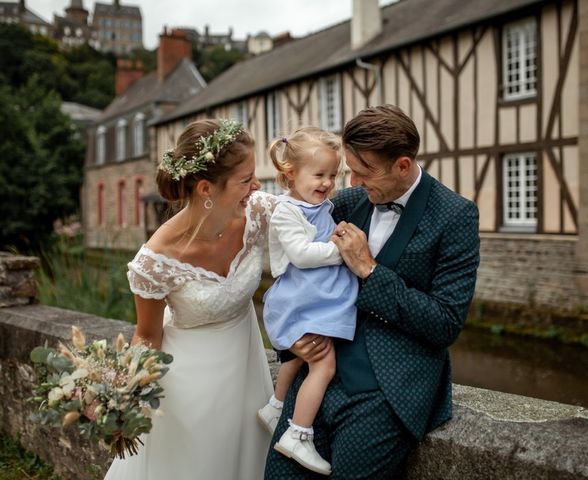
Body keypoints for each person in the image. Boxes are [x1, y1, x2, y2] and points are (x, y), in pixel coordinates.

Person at [264, 105, 480, 479]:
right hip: (316, 378)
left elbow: (445, 323)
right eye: (349, 171)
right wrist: (291, 340)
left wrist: (369, 269)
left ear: (402, 165)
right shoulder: (343, 203)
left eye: (364, 174)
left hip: (386, 391)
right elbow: (297, 276)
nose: (351, 183)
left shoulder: (455, 216)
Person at [104, 119, 276, 480]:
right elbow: (148, 335)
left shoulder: (258, 214)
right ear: (205, 188)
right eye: (246, 180)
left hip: (247, 376)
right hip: (186, 391)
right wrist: (124, 394)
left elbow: (312, 220)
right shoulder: (154, 260)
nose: (257, 186)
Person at [257, 127, 358, 476]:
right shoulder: (286, 210)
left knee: (302, 356)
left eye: (333, 174)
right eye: (319, 175)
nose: (328, 182)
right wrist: (343, 252)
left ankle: (276, 405)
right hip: (301, 298)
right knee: (323, 364)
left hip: (314, 296)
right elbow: (300, 254)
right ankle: (298, 433)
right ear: (290, 175)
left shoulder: (317, 204)